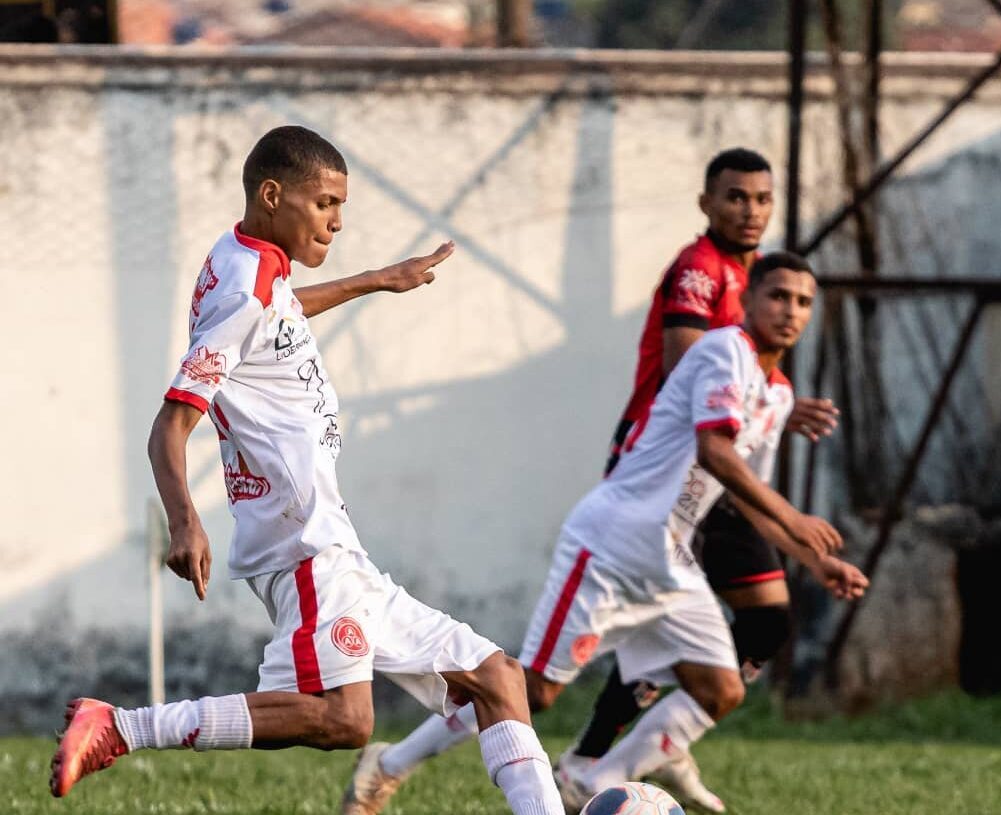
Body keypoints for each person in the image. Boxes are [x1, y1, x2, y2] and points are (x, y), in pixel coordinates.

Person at [48, 125, 565, 815]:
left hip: (334, 544)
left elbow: (278, 313)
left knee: (497, 677)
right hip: (302, 544)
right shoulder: (244, 284)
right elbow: (169, 425)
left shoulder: (251, 260)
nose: (337, 220)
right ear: (272, 194)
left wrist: (379, 279)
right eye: (325, 202)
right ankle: (121, 726)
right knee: (345, 720)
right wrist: (184, 521)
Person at [343, 252, 865, 815]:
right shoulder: (723, 352)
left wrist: (812, 558)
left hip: (670, 561)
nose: (791, 310)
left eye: (804, 301)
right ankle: (388, 766)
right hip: (610, 547)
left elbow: (741, 495)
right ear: (749, 300)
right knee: (534, 691)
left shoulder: (779, 393)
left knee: (720, 688)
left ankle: (596, 783)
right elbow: (715, 452)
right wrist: (799, 522)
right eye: (779, 296)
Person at [570, 147, 843, 811]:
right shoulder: (699, 269)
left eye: (761, 199)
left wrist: (777, 397)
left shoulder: (755, 274)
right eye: (735, 197)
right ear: (707, 204)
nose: (749, 211)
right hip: (670, 473)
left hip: (718, 472)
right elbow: (691, 367)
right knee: (597, 653)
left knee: (764, 621)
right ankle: (600, 757)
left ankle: (634, 751)